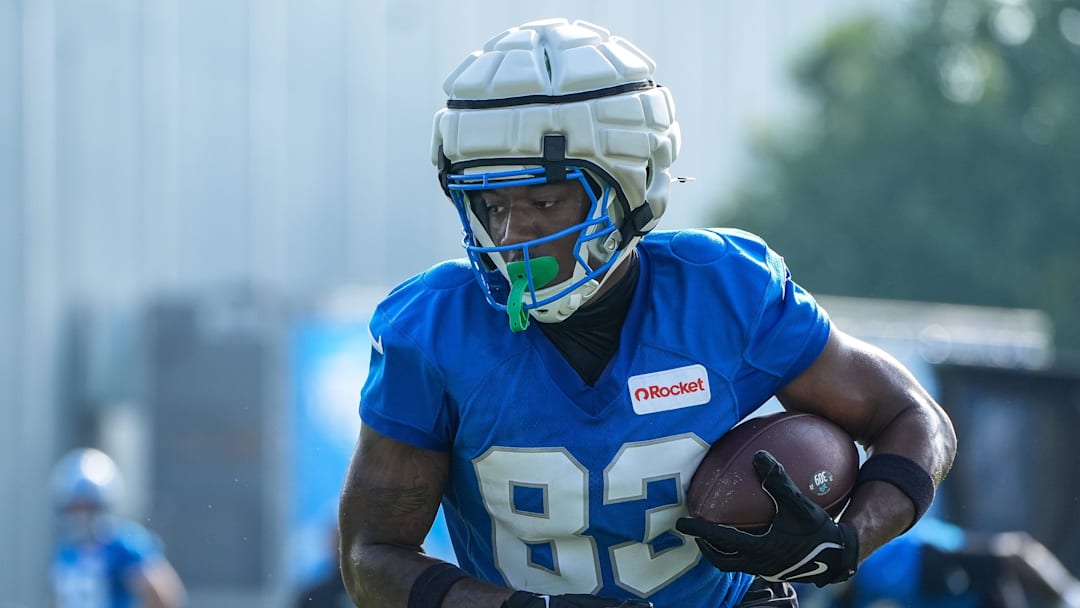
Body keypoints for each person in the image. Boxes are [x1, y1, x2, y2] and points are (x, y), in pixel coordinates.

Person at [338, 17, 957, 608]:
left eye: (546, 200)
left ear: (632, 186)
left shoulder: (725, 293)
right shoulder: (435, 331)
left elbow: (914, 419)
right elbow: (370, 556)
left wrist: (848, 541)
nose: (510, 236)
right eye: (490, 204)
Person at [825, 516, 1080, 608]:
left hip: (927, 556)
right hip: (937, 588)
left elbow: (1018, 552)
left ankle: (1071, 597)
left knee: (1014, 553)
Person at [50, 447, 186, 608]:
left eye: (88, 507)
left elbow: (163, 595)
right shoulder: (65, 549)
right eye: (76, 508)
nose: (81, 516)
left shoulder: (123, 543)